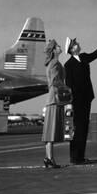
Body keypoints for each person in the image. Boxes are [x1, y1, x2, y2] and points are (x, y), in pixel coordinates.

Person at [65, 30, 97, 165]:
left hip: (86, 98)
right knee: (76, 129)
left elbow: (96, 54)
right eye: (75, 43)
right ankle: (74, 157)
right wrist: (70, 102)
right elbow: (69, 85)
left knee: (84, 128)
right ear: (72, 49)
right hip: (76, 101)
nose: (78, 44)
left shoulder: (84, 57)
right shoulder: (68, 65)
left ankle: (80, 157)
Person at [42, 39, 67, 168]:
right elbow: (56, 82)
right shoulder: (56, 63)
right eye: (58, 46)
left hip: (52, 99)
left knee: (49, 130)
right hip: (55, 99)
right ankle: (50, 159)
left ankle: (49, 158)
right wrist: (67, 92)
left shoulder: (52, 63)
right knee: (51, 130)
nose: (60, 46)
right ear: (54, 50)